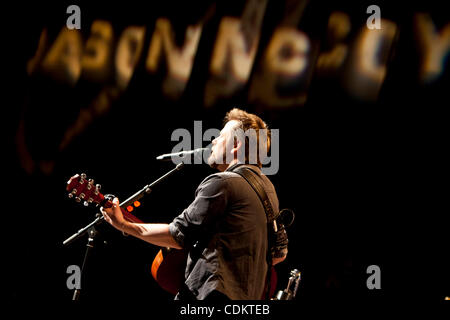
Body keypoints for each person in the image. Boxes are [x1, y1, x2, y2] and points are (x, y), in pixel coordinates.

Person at [101, 108, 287, 300]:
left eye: (221, 136)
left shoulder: (222, 182)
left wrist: (123, 225)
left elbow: (177, 235)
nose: (213, 141)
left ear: (236, 145)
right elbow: (279, 254)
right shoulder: (268, 190)